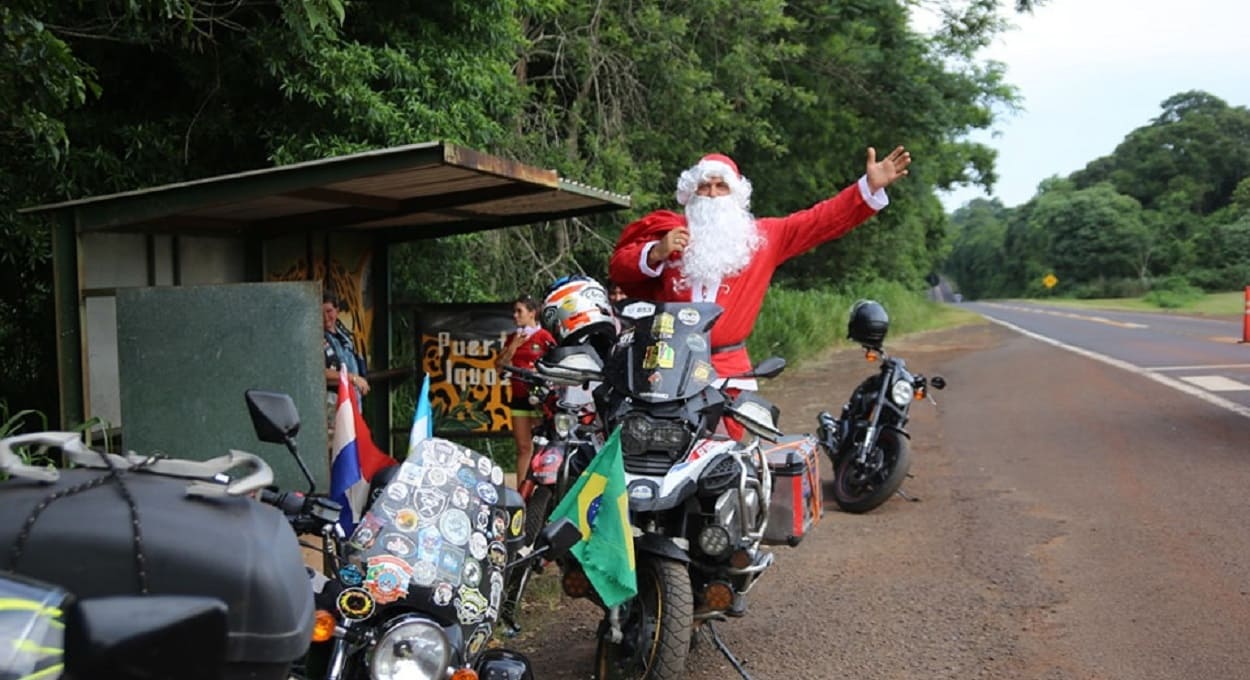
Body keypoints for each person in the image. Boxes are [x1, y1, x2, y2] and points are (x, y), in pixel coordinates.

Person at [609, 147, 911, 389]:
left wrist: (867, 188)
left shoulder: (763, 238)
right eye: (704, 187)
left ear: (735, 195)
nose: (712, 194)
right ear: (691, 194)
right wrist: (656, 252)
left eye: (721, 186)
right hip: (668, 367)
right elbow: (619, 269)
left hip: (731, 374)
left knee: (733, 448)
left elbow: (821, 220)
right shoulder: (668, 233)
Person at [495, 294, 558, 481]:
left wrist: (539, 372)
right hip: (519, 396)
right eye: (514, 312)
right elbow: (499, 367)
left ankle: (543, 487)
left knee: (543, 445)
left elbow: (557, 364)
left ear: (532, 313)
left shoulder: (544, 336)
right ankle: (521, 492)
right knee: (523, 447)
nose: (515, 315)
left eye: (519, 311)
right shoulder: (512, 338)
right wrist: (513, 346)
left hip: (541, 398)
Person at [324, 291, 369, 413]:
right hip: (333, 403)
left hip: (354, 401)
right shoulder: (317, 338)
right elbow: (319, 373)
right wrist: (353, 378)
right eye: (321, 312)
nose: (325, 317)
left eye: (329, 311)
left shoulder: (345, 335)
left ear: (337, 310)